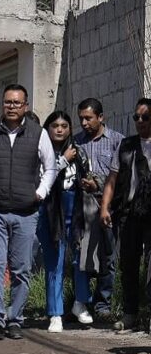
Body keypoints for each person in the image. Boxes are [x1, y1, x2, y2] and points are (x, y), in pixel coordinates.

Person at [0, 84, 58, 340]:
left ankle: (15, 319)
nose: (12, 107)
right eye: (8, 102)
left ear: (25, 106)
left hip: (26, 212)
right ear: (2, 104)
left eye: (17, 103)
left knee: (21, 268)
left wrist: (40, 192)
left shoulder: (38, 134)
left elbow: (50, 168)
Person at [100, 98, 151, 333]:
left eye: (145, 117)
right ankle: (130, 313)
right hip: (129, 213)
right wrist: (104, 207)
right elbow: (112, 179)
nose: (140, 122)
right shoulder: (127, 145)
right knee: (128, 264)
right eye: (136, 117)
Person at [36, 111, 89, 333]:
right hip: (50, 210)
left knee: (81, 258)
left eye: (64, 125)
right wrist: (63, 159)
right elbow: (42, 179)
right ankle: (55, 313)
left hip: (75, 209)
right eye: (55, 125)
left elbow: (86, 174)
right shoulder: (40, 152)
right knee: (54, 263)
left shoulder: (79, 151)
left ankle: (80, 302)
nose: (59, 129)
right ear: (47, 128)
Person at [73, 97, 124, 322]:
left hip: (109, 208)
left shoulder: (116, 141)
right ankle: (81, 302)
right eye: (81, 118)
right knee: (83, 257)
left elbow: (120, 177)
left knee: (108, 257)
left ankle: (103, 304)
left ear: (101, 117)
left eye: (88, 118)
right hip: (83, 208)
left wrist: (98, 184)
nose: (84, 123)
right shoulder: (76, 143)